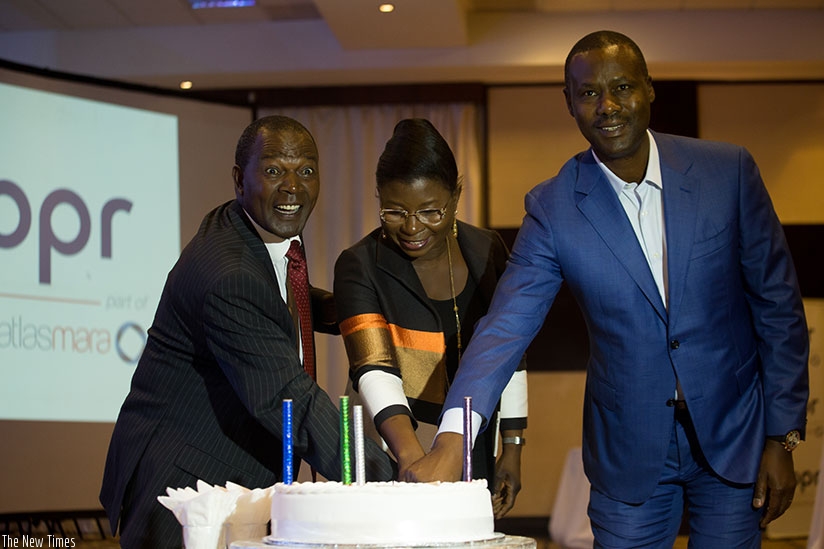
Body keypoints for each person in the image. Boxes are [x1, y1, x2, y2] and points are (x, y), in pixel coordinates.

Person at [406, 31, 809, 547]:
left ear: (649, 89)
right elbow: (505, 325)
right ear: (569, 103)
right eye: (589, 93)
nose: (608, 106)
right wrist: (452, 436)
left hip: (735, 432)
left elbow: (777, 307)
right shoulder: (554, 207)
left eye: (622, 87)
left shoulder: (727, 172)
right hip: (627, 447)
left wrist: (783, 437)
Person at [100, 115, 395, 549]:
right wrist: (390, 476)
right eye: (274, 171)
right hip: (187, 488)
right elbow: (292, 400)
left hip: (220, 471)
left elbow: (279, 295)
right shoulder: (228, 276)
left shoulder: (251, 225)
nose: (293, 187)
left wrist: (351, 311)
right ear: (240, 180)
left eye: (307, 171)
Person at [333, 118, 528, 517]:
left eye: (430, 211)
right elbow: (373, 367)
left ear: (456, 195)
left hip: (473, 436)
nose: (411, 227)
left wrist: (513, 446)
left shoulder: (487, 249)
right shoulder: (358, 265)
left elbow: (510, 349)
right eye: (394, 211)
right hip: (392, 439)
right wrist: (412, 458)